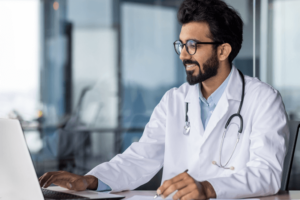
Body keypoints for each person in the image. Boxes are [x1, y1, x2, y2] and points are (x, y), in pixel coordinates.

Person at [39, 0, 289, 199]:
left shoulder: (263, 100)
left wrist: (208, 188)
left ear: (223, 50)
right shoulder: (174, 100)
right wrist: (90, 180)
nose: (183, 55)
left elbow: (266, 174)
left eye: (192, 45)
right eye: (180, 45)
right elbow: (141, 158)